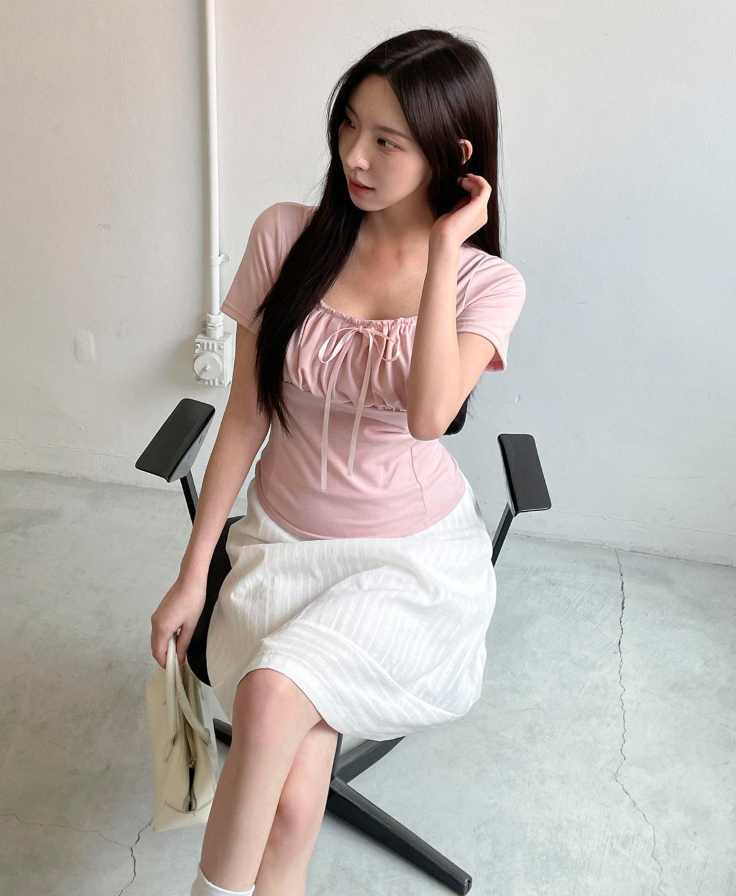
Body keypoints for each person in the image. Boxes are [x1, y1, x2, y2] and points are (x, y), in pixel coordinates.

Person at [150, 27, 527, 896]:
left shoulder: (485, 284)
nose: (354, 155)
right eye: (349, 124)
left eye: (388, 141)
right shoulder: (286, 236)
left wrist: (443, 249)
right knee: (288, 811)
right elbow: (246, 415)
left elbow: (430, 417)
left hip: (404, 566)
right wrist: (192, 574)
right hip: (282, 550)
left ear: (452, 157)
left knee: (272, 695)